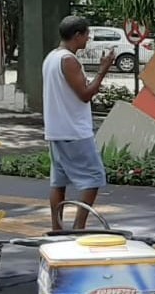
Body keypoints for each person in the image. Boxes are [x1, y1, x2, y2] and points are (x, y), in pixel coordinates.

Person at [42, 15, 113, 231]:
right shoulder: (68, 60)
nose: (88, 39)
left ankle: (57, 228)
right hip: (74, 131)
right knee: (93, 178)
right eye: (87, 35)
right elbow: (85, 94)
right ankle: (78, 225)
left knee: (59, 181)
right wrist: (103, 69)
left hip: (56, 130)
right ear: (77, 35)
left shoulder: (51, 57)